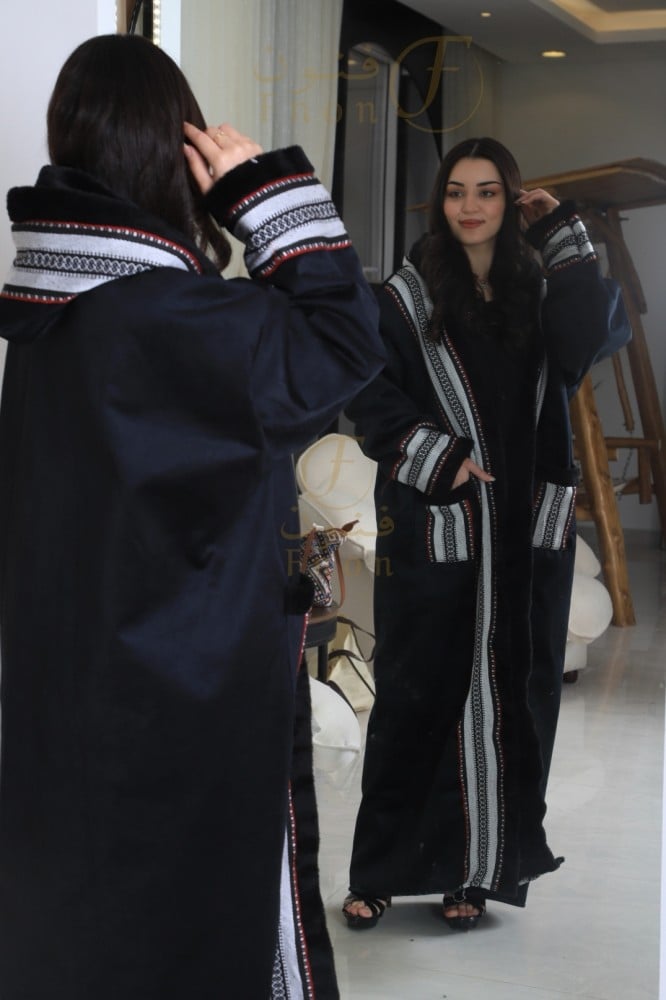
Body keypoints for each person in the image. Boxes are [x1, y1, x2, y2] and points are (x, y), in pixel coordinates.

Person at [0, 33, 385, 1000]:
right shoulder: (185, 320)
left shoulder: (46, 320)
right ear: (175, 150)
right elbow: (346, 342)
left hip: (69, 682)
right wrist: (265, 193)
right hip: (187, 690)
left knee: (80, 905)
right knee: (189, 916)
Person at [341, 136, 630, 931]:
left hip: (526, 533)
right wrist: (440, 457)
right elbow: (368, 391)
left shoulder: (537, 289)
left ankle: (476, 873)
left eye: (489, 192)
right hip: (438, 525)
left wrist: (563, 235)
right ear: (441, 200)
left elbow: (589, 339)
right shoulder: (406, 295)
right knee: (414, 697)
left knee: (516, 701)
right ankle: (378, 872)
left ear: (511, 200)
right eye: (457, 191)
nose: (470, 207)